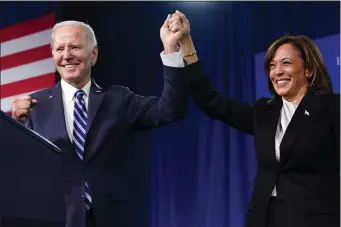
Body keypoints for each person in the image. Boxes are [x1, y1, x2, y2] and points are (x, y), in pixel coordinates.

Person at [11, 15, 189, 227]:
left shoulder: (119, 99)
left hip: (112, 219)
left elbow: (170, 110)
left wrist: (170, 49)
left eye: (75, 47)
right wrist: (17, 125)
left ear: (93, 54)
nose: (66, 55)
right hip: (56, 219)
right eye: (59, 49)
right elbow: (21, 168)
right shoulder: (35, 105)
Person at [166, 11, 340, 227]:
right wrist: (186, 45)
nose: (277, 72)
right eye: (272, 66)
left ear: (309, 70)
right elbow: (211, 102)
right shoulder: (264, 112)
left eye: (286, 63)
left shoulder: (332, 108)